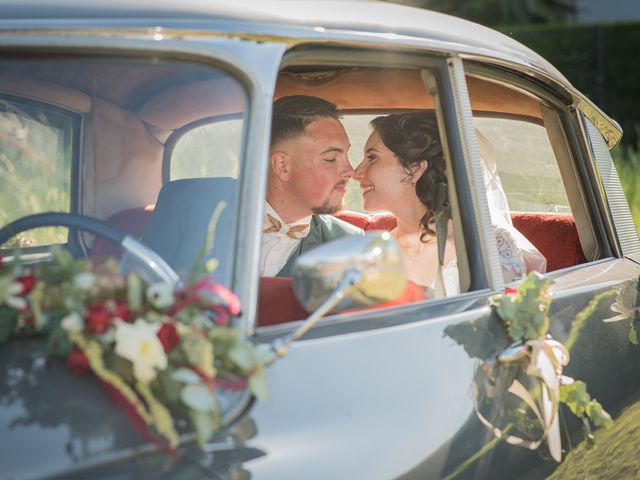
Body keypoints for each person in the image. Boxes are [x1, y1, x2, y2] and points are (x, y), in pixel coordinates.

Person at [354, 111, 545, 297]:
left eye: (372, 158)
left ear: (414, 169)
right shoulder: (374, 254)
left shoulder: (486, 249)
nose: (357, 172)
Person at [261, 95, 363, 277]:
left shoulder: (350, 245)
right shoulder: (206, 216)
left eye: (346, 156)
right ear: (282, 166)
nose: (350, 171)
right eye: (331, 159)